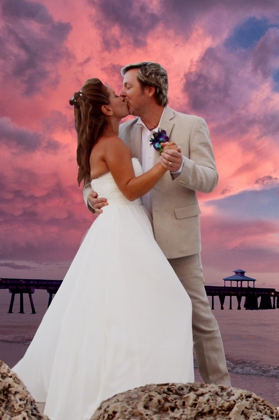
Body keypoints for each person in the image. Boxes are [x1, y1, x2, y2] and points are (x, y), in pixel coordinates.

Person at [13, 78, 194, 420]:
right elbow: (128, 189)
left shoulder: (100, 143)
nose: (122, 95)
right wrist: (162, 164)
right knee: (168, 304)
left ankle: (123, 387)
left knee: (118, 315)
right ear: (107, 109)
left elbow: (99, 185)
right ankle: (134, 389)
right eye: (115, 94)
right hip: (125, 228)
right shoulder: (111, 144)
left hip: (116, 228)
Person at [85, 62, 231, 386]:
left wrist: (182, 166)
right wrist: (88, 196)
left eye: (128, 85)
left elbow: (210, 179)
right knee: (140, 319)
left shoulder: (193, 126)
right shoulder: (123, 132)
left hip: (179, 241)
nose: (121, 91)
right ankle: (150, 388)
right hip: (135, 243)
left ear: (149, 90)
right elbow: (95, 170)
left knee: (199, 319)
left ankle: (222, 393)